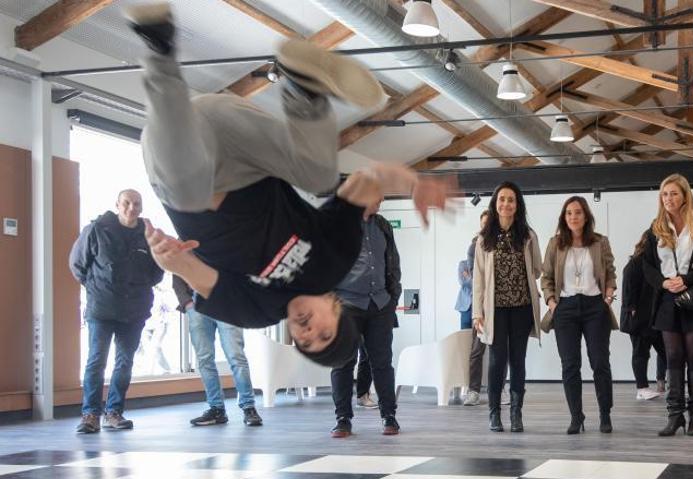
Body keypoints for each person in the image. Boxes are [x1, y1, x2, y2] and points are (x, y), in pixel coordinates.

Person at [127, 2, 453, 369]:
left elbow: (190, 271)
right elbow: (367, 181)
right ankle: (304, 88)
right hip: (239, 142)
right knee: (322, 178)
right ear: (337, 309)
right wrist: (412, 182)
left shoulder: (256, 311)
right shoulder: (334, 258)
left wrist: (168, 256)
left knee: (188, 191)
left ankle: (157, 42)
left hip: (182, 154)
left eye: (305, 343)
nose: (307, 332)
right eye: (324, 334)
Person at [69, 189, 165, 434]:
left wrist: (140, 286)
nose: (131, 207)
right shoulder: (97, 230)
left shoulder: (147, 235)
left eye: (136, 203)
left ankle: (114, 412)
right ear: (117, 204)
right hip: (101, 308)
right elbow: (77, 264)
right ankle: (90, 414)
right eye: (127, 203)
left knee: (124, 363)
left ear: (141, 208)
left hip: (134, 310)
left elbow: (158, 271)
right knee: (96, 361)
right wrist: (96, 286)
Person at [642, 174, 693, 437]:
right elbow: (646, 265)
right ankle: (674, 416)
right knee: (673, 356)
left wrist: (686, 279)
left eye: (674, 193)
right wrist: (664, 283)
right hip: (667, 299)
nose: (668, 199)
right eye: (664, 194)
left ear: (684, 195)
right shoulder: (656, 227)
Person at [541, 196, 617, 434]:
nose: (573, 217)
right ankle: (576, 416)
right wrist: (552, 302)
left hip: (595, 307)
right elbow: (546, 277)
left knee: (600, 363)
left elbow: (610, 272)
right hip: (566, 308)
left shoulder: (599, 242)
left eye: (578, 212)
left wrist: (607, 297)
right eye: (569, 213)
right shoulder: (555, 244)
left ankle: (605, 414)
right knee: (570, 365)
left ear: (586, 216)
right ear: (564, 218)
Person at [472, 182, 542, 433]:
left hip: (522, 307)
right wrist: (477, 312)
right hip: (495, 310)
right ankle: (494, 413)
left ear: (517, 204)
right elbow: (478, 278)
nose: (506, 204)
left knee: (518, 361)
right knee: (497, 362)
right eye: (502, 199)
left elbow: (536, 268)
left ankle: (516, 413)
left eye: (511, 199)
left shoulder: (528, 235)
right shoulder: (484, 238)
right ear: (495, 203)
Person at [329, 200, 402, 437]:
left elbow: (393, 263)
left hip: (380, 304)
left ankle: (389, 416)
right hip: (346, 305)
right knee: (343, 363)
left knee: (382, 362)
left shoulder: (383, 225)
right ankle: (343, 419)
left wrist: (393, 298)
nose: (380, 200)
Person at [172, 275, 262, 427]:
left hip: (227, 301)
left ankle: (249, 407)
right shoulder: (184, 249)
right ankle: (217, 409)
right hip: (197, 303)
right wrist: (187, 303)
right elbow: (177, 272)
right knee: (204, 360)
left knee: (236, 356)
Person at [461, 211, 509, 407]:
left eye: (489, 223)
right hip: (480, 305)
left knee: (501, 351)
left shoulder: (504, 243)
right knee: (477, 350)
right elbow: (476, 279)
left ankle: (499, 389)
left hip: (502, 304)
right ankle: (473, 391)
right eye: (483, 224)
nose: (486, 227)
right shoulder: (475, 246)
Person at [621, 231, 666, 401]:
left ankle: (671, 383)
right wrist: (631, 308)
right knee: (640, 352)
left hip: (654, 316)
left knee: (667, 351)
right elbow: (628, 287)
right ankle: (642, 388)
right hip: (639, 316)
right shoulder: (636, 262)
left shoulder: (658, 263)